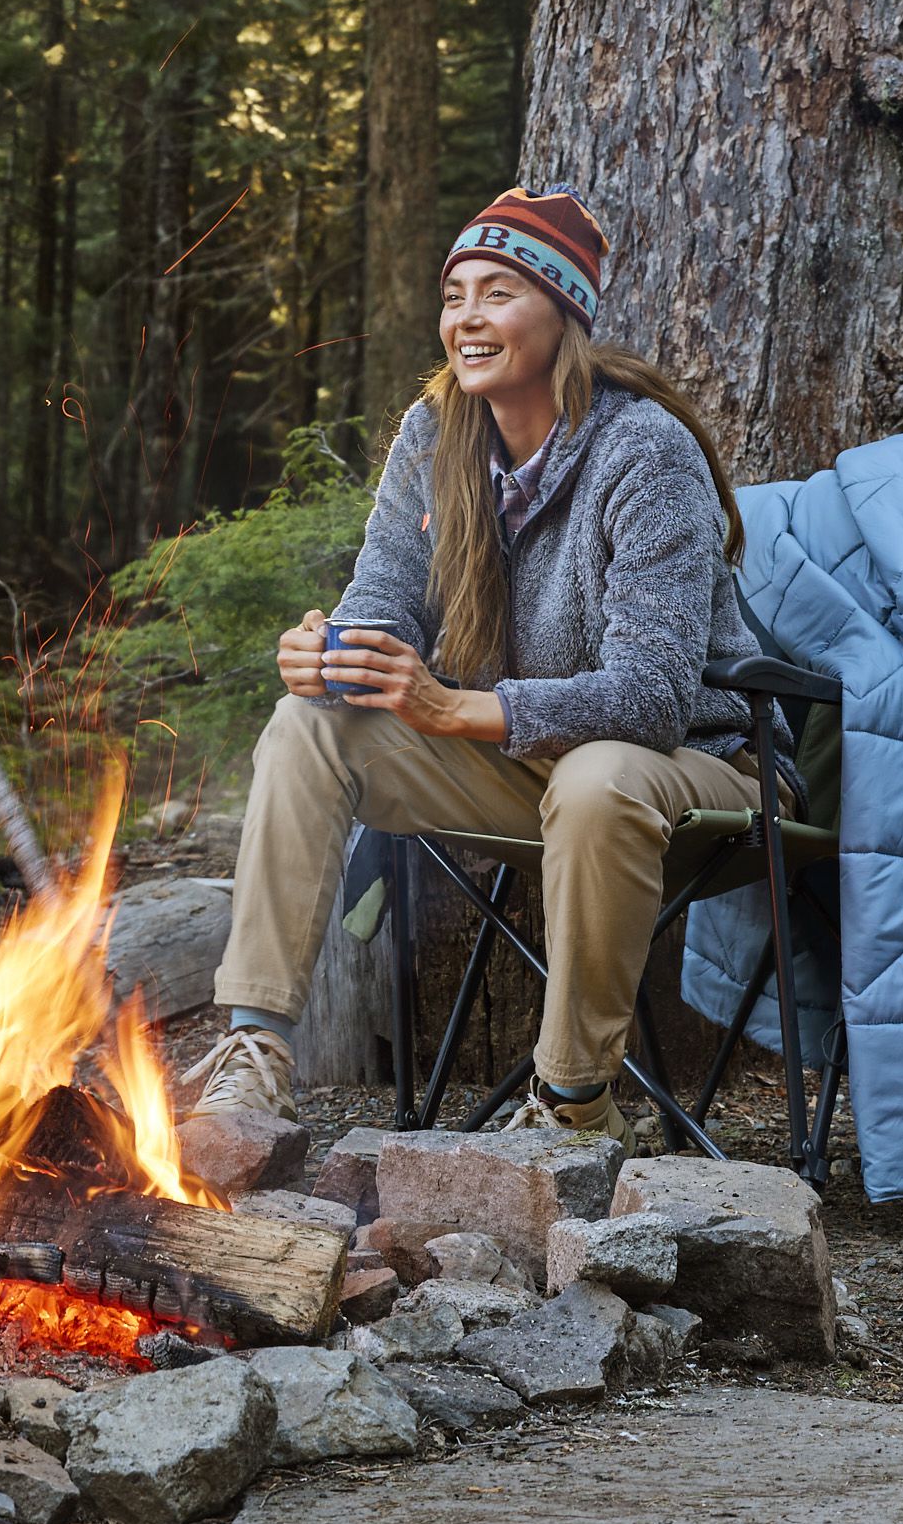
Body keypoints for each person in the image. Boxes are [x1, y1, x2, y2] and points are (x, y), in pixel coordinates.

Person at [179, 186, 761, 1148]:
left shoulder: (643, 449)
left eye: (499, 292)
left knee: (599, 777)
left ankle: (574, 1107)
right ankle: (256, 1054)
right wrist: (334, 654)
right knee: (308, 726)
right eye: (455, 296)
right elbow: (384, 596)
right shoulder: (433, 435)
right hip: (518, 766)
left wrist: (451, 708)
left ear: (564, 313)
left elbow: (653, 699)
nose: (468, 318)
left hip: (690, 772)